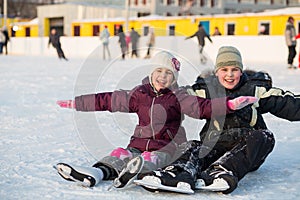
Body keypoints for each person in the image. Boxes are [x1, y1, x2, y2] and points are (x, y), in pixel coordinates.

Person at [54, 50, 256, 188]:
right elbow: (108, 100)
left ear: (174, 78)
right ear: (152, 73)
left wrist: (229, 105)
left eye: (168, 73)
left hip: (167, 147)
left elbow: (202, 107)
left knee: (152, 158)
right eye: (159, 71)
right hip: (138, 144)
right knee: (121, 154)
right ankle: (96, 173)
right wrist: (79, 102)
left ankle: (138, 170)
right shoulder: (138, 95)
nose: (163, 76)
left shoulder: (179, 97)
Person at [138, 46, 300, 194]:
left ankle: (223, 170)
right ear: (216, 72)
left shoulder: (255, 90)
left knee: (264, 136)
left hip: (247, 149)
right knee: (193, 145)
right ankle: (178, 171)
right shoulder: (206, 90)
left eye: (234, 69)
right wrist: (158, 87)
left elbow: (287, 103)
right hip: (214, 145)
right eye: (224, 69)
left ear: (241, 71)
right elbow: (178, 98)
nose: (229, 74)